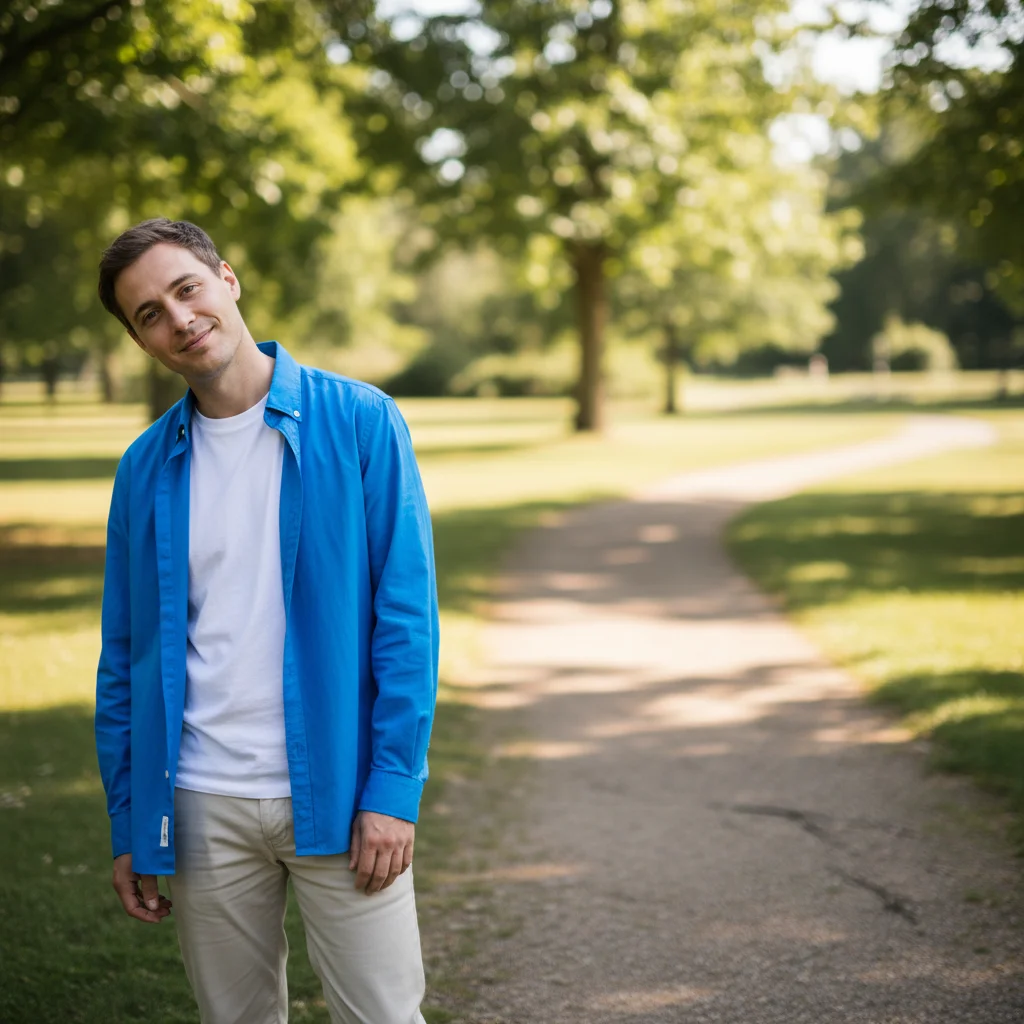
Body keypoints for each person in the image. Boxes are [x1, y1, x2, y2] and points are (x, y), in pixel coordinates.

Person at [94, 218, 439, 1024]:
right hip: (204, 802)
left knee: (382, 1016)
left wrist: (393, 786)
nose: (178, 318)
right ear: (142, 340)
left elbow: (408, 622)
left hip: (345, 794)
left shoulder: (361, 422)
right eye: (149, 314)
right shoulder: (144, 466)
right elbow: (124, 657)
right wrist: (130, 821)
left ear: (227, 278)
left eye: (186, 289)